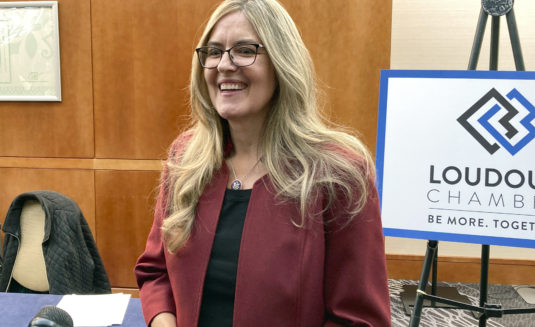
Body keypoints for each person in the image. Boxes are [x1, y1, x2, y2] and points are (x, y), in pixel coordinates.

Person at [134, 0, 391, 326]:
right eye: (213, 52)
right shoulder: (186, 158)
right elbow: (155, 273)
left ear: (282, 62)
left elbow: (360, 319)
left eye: (244, 50)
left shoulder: (338, 174)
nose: (224, 65)